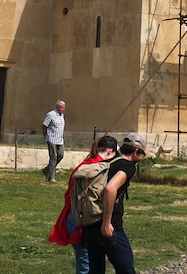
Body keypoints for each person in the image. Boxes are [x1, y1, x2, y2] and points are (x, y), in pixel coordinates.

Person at [50, 135, 117, 274]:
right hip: (87, 220)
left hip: (74, 216)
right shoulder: (101, 169)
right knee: (89, 266)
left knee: (85, 264)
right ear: (110, 151)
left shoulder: (83, 166)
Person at [82, 135, 146, 274]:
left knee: (96, 270)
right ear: (136, 152)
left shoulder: (107, 162)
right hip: (110, 228)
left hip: (90, 225)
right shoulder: (127, 166)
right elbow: (111, 188)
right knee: (126, 270)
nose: (141, 159)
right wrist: (106, 223)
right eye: (142, 155)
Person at [42, 100, 67, 182]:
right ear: (58, 107)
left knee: (61, 155)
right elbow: (44, 125)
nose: (63, 110)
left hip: (60, 139)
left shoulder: (61, 115)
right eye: (62, 108)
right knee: (53, 157)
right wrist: (46, 135)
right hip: (51, 138)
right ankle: (51, 177)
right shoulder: (51, 114)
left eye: (64, 108)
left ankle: (47, 170)